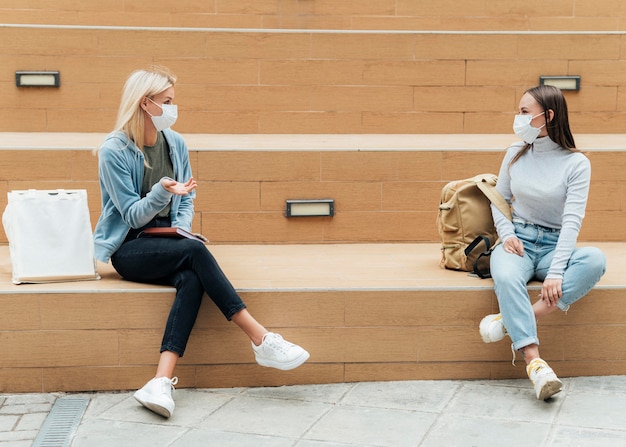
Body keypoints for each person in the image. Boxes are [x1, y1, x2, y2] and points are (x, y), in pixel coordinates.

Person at [93, 66, 309, 418]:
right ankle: (260, 338)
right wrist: (162, 192)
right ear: (146, 104)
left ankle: (161, 381)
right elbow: (131, 216)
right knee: (195, 251)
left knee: (192, 275)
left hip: (171, 244)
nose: (173, 108)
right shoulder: (113, 151)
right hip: (130, 247)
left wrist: (180, 229)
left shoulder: (174, 142)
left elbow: (187, 198)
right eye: (167, 101)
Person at [478, 85, 606, 401]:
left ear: (547, 116)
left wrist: (556, 272)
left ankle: (512, 319)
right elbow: (499, 199)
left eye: (524, 112)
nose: (518, 118)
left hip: (552, 245)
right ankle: (535, 363)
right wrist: (506, 235)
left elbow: (572, 222)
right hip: (516, 242)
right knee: (507, 277)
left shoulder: (577, 164)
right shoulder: (515, 152)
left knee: (594, 260)